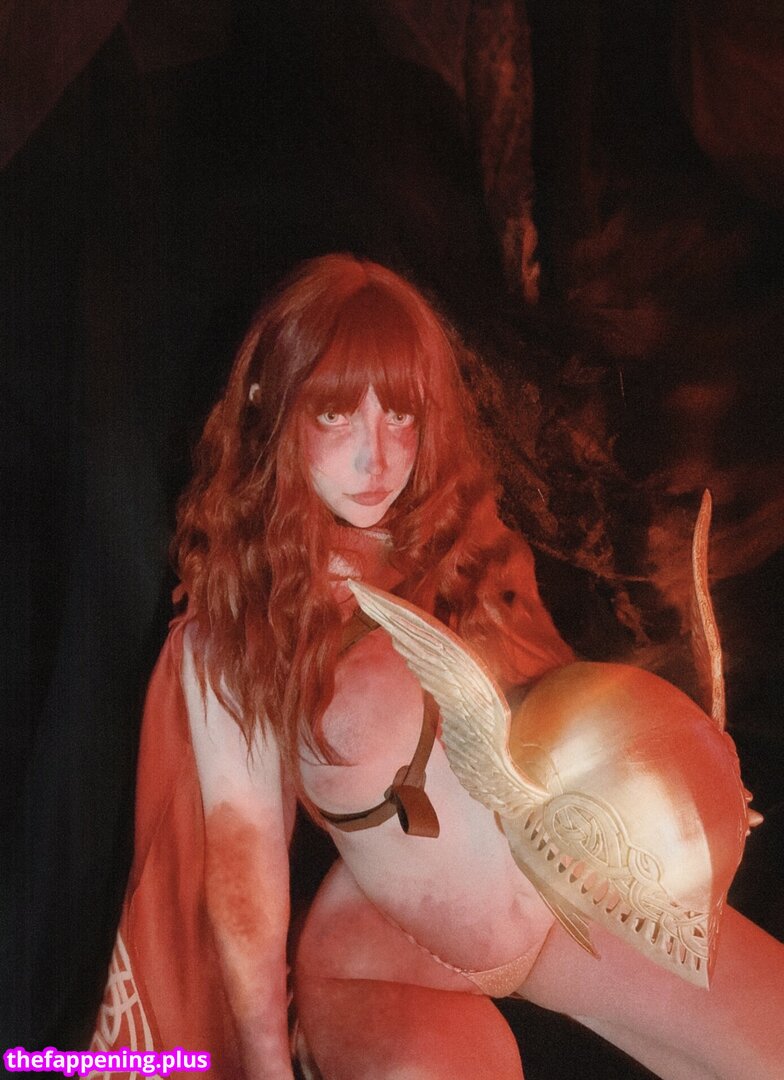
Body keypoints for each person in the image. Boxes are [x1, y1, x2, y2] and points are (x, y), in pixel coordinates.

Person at [93, 254, 783, 1079]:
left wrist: (677, 773)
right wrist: (268, 1066)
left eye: (400, 416)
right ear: (270, 403)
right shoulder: (240, 627)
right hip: (385, 959)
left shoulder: (460, 542)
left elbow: (562, 707)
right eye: (337, 414)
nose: (376, 458)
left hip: (566, 903)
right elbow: (245, 863)